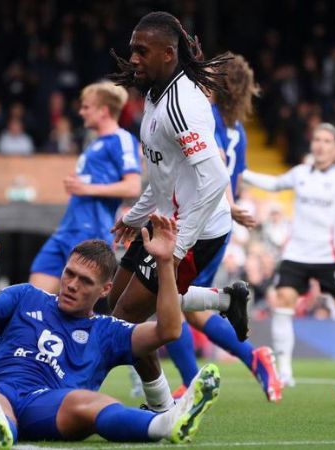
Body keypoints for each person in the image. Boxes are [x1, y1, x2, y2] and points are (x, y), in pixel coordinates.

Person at [0, 215, 220, 448]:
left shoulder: (108, 331)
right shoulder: (25, 296)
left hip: (48, 405)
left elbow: (169, 330)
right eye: (70, 274)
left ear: (105, 290)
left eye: (85, 281)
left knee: (87, 401)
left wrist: (164, 264)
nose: (72, 285)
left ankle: (167, 424)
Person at [108, 10, 250, 412]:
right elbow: (162, 177)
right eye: (132, 49)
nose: (132, 58)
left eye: (141, 51)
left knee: (125, 321)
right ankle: (223, 301)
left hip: (196, 230)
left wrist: (178, 245)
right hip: (162, 222)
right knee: (113, 307)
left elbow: (215, 179)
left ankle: (160, 409)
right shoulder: (155, 96)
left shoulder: (180, 105)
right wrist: (136, 217)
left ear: (168, 55)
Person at [164, 53, 282, 402]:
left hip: (198, 215)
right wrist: (231, 207)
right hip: (219, 222)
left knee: (169, 300)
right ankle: (251, 356)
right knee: (191, 311)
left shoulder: (205, 117)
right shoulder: (239, 131)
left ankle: (191, 380)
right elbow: (238, 178)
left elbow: (212, 163)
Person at [242, 123, 335, 386]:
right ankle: (285, 370)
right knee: (283, 302)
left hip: (328, 257)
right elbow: (275, 184)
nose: (320, 145)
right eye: (317, 140)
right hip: (296, 255)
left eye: (326, 141)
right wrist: (243, 173)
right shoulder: (300, 173)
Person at [30, 81, 141, 294]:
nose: (81, 112)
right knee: (34, 298)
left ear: (103, 111)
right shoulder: (94, 143)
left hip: (92, 232)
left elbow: (132, 186)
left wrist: (86, 188)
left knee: (74, 304)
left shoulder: (122, 139)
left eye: (86, 107)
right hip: (67, 228)